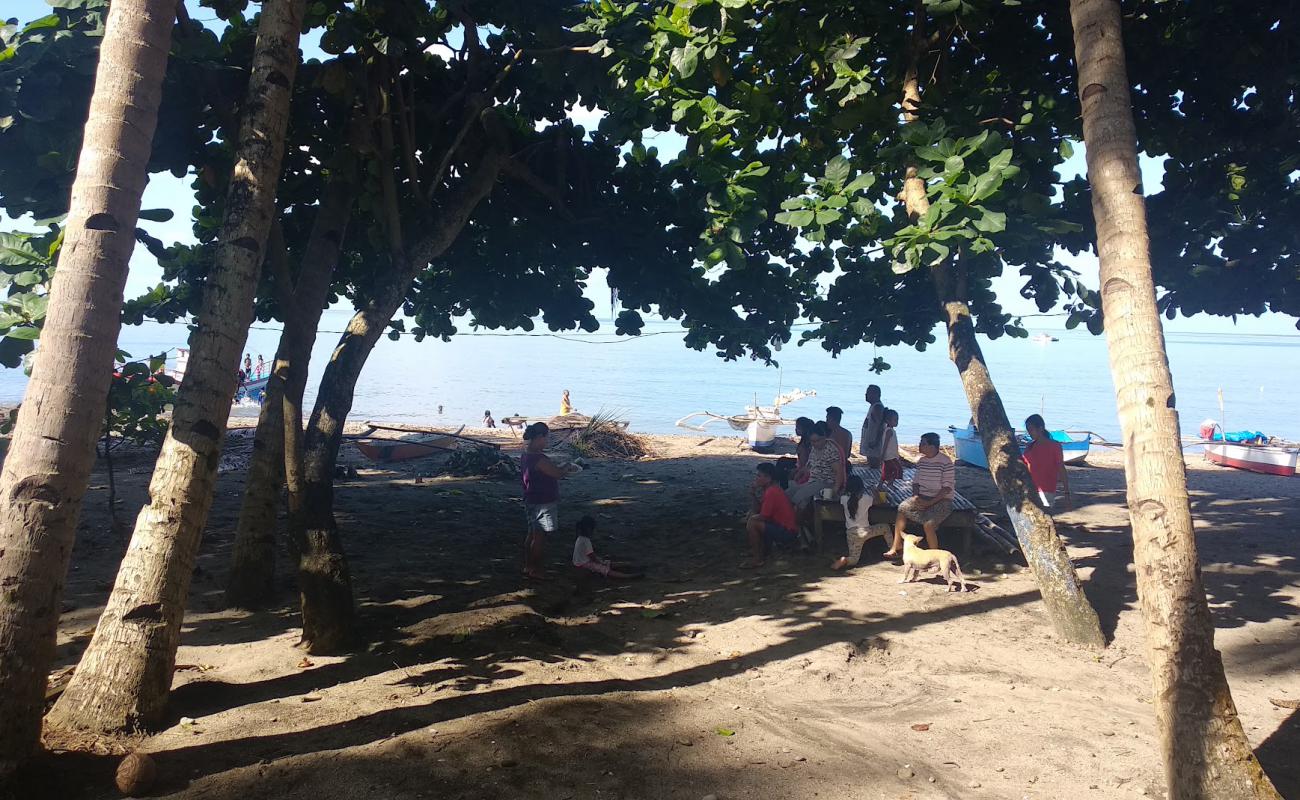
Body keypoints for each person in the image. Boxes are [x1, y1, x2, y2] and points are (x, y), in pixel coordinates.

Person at [521, 422, 577, 579]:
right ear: (539, 437)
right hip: (542, 501)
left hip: (531, 498)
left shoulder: (526, 454)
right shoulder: (538, 458)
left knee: (531, 534)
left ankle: (528, 565)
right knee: (540, 537)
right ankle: (535, 570)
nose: (547, 442)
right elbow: (557, 473)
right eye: (546, 438)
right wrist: (567, 467)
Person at [885, 432, 954, 557]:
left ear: (932, 447)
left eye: (923, 444)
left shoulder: (945, 461)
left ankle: (934, 555)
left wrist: (930, 502)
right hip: (922, 497)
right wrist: (916, 496)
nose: (919, 446)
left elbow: (946, 489)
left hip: (942, 500)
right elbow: (916, 483)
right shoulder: (922, 461)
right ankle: (895, 546)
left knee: (929, 524)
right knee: (902, 508)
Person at [742, 463, 798, 569]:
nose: (756, 478)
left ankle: (757, 558)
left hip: (786, 531)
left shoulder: (772, 492)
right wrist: (752, 494)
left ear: (768, 478)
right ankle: (758, 550)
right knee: (752, 517)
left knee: (752, 523)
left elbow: (764, 516)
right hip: (780, 526)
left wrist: (751, 519)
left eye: (759, 476)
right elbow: (757, 509)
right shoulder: (770, 490)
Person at [787, 421, 846, 509]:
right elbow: (809, 465)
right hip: (812, 480)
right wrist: (799, 473)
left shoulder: (830, 450)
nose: (815, 444)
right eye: (812, 441)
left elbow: (839, 471)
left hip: (825, 482)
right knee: (789, 492)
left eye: (818, 441)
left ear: (824, 437)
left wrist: (835, 489)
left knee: (799, 497)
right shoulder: (814, 448)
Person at [1023, 414, 1071, 511]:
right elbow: (1025, 468)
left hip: (1047, 490)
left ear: (1040, 428)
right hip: (1030, 490)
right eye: (1028, 430)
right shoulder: (1030, 447)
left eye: (1031, 430)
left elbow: (1061, 469)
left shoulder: (1055, 446)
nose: (1029, 433)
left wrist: (1066, 492)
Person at [572, 516, 642, 579]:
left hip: (579, 561)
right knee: (606, 570)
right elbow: (591, 556)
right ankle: (627, 576)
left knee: (606, 563)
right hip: (583, 563)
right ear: (589, 529)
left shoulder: (580, 538)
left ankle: (627, 564)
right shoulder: (586, 541)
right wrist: (600, 562)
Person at [832, 474, 875, 571]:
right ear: (861, 487)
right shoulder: (866, 498)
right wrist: (874, 491)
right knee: (885, 528)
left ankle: (844, 560)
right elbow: (879, 501)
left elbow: (838, 496)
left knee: (854, 558)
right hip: (866, 531)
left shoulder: (844, 499)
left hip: (851, 533)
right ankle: (893, 550)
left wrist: (843, 490)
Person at [859, 384, 885, 467]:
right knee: (871, 464)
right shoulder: (873, 406)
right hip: (870, 442)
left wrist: (875, 441)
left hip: (873, 443)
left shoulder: (877, 407)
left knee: (874, 465)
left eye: (868, 393)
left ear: (875, 394)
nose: (866, 395)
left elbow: (880, 426)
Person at [879, 408, 903, 487]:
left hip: (891, 455)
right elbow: (885, 443)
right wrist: (882, 454)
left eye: (897, 420)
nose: (897, 422)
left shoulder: (890, 430)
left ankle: (881, 484)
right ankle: (890, 483)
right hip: (890, 455)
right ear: (888, 420)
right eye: (895, 420)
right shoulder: (889, 431)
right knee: (897, 469)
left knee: (887, 470)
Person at [825, 406, 854, 472]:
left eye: (828, 419)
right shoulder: (846, 433)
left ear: (833, 419)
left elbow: (844, 454)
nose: (826, 422)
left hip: (837, 466)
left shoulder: (843, 434)